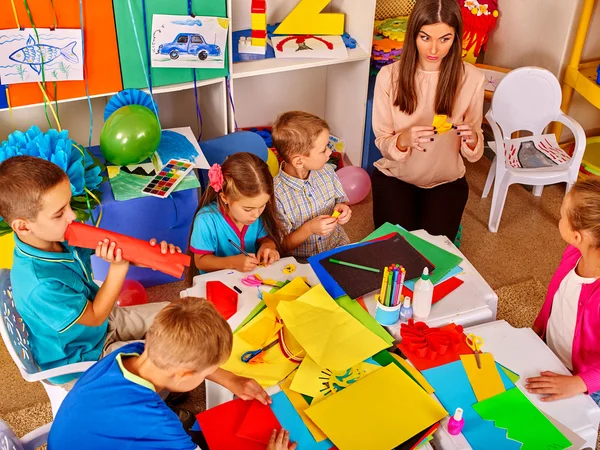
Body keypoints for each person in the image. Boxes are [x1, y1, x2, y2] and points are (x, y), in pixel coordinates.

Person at [0, 156, 178, 388]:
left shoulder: (56, 235)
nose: (72, 216)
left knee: (175, 317)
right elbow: (95, 317)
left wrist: (145, 257)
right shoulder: (39, 284)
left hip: (102, 326)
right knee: (166, 361)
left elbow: (110, 250)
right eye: (59, 212)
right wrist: (118, 268)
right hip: (81, 359)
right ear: (23, 226)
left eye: (69, 205)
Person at [48, 298, 296, 450]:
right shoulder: (159, 423)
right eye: (205, 373)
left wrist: (230, 379)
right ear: (184, 376)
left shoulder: (129, 353)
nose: (210, 375)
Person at [371, 0, 485, 240]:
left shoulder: (472, 79)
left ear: (456, 38)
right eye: (425, 38)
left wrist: (473, 138)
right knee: (395, 248)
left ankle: (447, 227)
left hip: (446, 181)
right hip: (396, 177)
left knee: (432, 256)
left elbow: (474, 150)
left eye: (445, 39)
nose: (434, 50)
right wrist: (402, 139)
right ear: (413, 34)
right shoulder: (388, 76)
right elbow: (382, 140)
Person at [527, 178, 600, 404]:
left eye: (561, 217)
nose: (559, 220)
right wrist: (540, 324)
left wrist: (579, 383)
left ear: (576, 235)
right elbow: (555, 293)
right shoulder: (573, 252)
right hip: (553, 350)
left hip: (588, 382)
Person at [272, 111, 351, 259]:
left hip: (336, 246)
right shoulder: (276, 195)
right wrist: (309, 229)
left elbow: (341, 200)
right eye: (323, 150)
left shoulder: (327, 171)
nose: (330, 152)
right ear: (299, 161)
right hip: (302, 261)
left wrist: (343, 208)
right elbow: (281, 245)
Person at [188, 153, 281, 276]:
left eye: (262, 206)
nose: (256, 215)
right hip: (216, 283)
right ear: (225, 198)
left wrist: (268, 247)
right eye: (248, 209)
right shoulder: (206, 220)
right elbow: (200, 261)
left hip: (249, 280)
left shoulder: (256, 212)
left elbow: (266, 239)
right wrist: (232, 262)